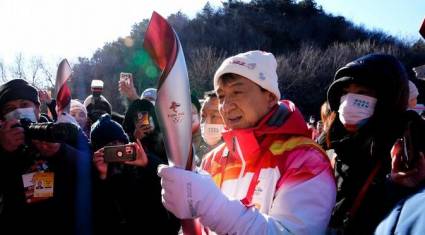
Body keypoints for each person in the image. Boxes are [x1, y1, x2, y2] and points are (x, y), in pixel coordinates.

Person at [158, 50, 336, 234]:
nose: (226, 106)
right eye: (221, 96)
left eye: (237, 91)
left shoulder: (305, 160)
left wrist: (212, 206)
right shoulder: (213, 159)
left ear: (270, 97)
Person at [325, 54, 425, 234]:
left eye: (362, 93)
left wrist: (394, 189)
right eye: (345, 92)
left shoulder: (410, 149)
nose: (348, 102)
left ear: (388, 98)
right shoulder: (330, 146)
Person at [0, 79, 92, 235]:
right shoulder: (2, 142)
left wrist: (60, 152)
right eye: (10, 108)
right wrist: (4, 151)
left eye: (24, 105)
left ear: (36, 108)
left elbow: (92, 167)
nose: (18, 111)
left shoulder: (60, 131)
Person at [91, 114, 180, 234]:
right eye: (110, 146)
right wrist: (102, 177)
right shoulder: (93, 173)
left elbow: (171, 186)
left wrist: (148, 164)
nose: (117, 148)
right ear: (99, 150)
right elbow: (101, 215)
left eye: (120, 142)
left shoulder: (141, 161)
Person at [197, 90, 225, 161]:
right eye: (203, 115)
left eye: (214, 116)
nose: (207, 122)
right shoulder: (195, 157)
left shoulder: (239, 157)